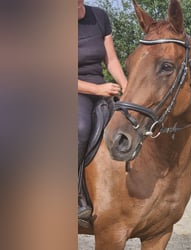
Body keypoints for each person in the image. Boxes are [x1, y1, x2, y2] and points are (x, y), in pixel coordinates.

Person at [78, 0, 127, 222]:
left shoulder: (99, 16)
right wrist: (97, 88)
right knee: (80, 128)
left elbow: (112, 60)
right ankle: (75, 195)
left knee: (131, 121)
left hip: (101, 86)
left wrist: (127, 87)